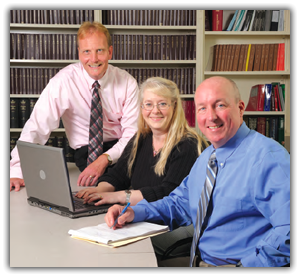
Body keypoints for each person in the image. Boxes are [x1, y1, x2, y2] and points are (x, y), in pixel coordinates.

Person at [105, 76, 290, 267]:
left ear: (240, 108)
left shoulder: (268, 158)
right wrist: (134, 212)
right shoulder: (208, 156)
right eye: (202, 108)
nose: (211, 116)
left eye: (220, 105)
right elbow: (179, 203)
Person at [76, 77, 208, 257]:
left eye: (162, 104)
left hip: (179, 223)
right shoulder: (141, 138)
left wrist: (117, 196)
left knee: (123, 249)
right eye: (148, 104)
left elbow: (169, 194)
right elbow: (118, 174)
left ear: (175, 107)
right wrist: (98, 192)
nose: (155, 111)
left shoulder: (188, 145)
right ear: (141, 108)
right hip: (145, 216)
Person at [10, 21, 140, 191]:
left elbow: (132, 135)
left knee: (142, 176)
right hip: (87, 151)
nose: (93, 59)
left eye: (99, 51)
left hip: (123, 148)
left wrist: (104, 159)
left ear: (110, 52)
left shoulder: (127, 82)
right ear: (79, 53)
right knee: (112, 182)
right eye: (87, 51)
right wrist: (16, 170)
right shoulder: (63, 81)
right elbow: (37, 126)